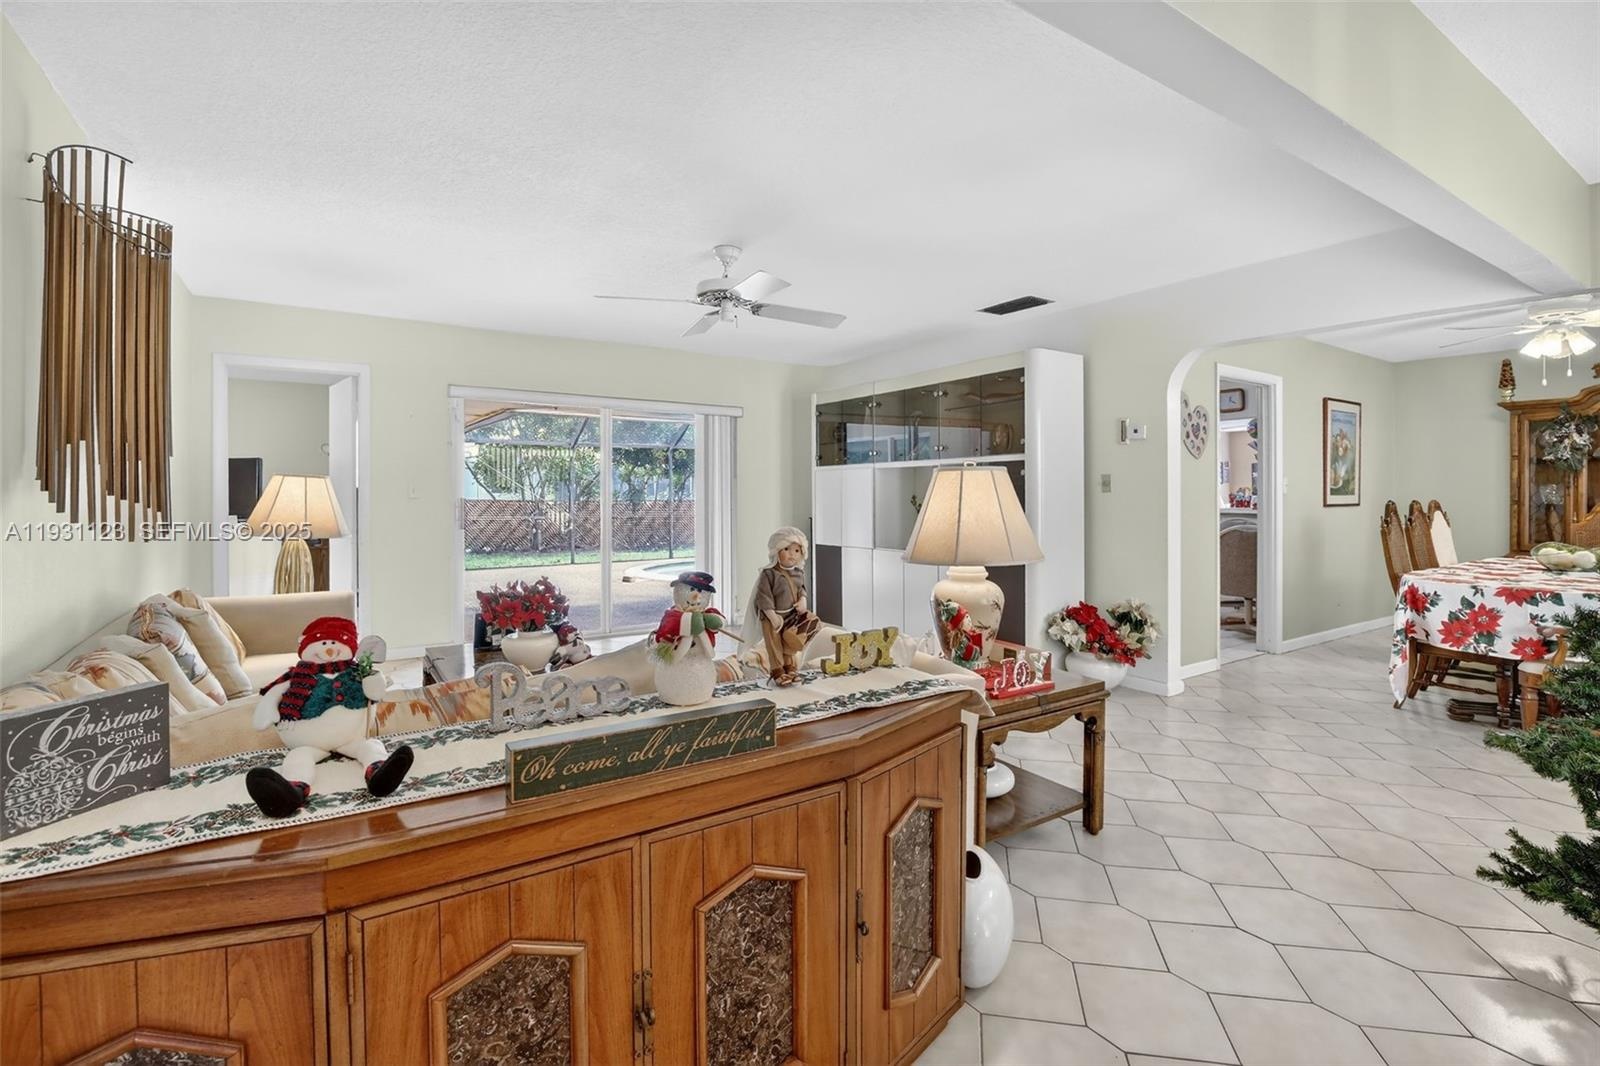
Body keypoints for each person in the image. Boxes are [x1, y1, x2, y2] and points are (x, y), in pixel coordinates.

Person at [742, 526, 822, 686]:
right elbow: (763, 597)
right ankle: (777, 671)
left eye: (797, 551)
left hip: (791, 615)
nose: (792, 554)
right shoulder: (769, 574)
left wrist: (803, 599)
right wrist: (772, 616)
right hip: (771, 616)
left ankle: (790, 668)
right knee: (775, 644)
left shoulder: (798, 573)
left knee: (788, 642)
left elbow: (801, 589)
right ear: (776, 551)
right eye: (786, 549)